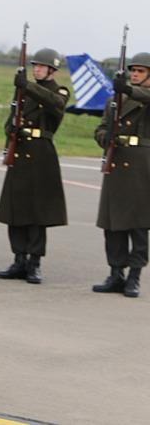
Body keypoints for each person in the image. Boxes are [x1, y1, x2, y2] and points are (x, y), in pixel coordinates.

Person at [0, 48, 69, 284]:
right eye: (34, 65)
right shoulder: (23, 91)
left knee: (37, 213)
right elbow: (11, 120)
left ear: (51, 70)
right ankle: (18, 259)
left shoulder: (59, 90)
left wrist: (27, 86)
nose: (36, 69)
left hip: (41, 154)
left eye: (41, 66)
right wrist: (10, 133)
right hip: (20, 151)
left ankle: (34, 262)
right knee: (16, 210)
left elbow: (55, 104)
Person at [92, 52, 150, 298]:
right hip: (117, 163)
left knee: (138, 224)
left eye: (140, 71)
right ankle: (115, 273)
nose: (135, 74)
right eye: (132, 70)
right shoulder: (115, 99)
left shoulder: (139, 95)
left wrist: (126, 88)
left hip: (141, 165)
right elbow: (101, 127)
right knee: (113, 222)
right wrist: (106, 138)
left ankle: (134, 277)